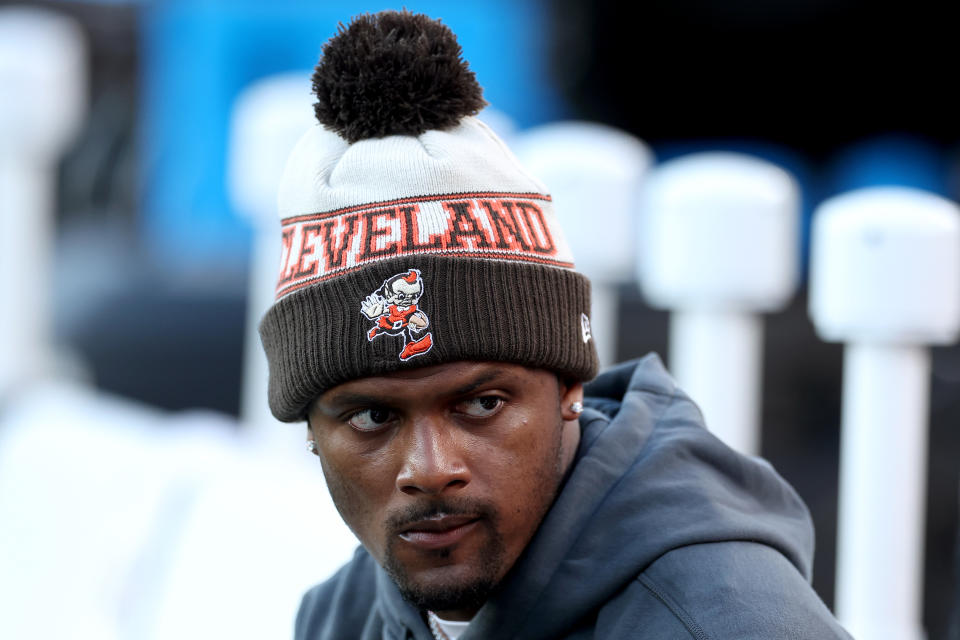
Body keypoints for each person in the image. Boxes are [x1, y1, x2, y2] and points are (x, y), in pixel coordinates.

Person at [258, 10, 851, 640]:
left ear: (570, 385)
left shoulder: (723, 621)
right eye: (372, 417)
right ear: (312, 430)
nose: (430, 469)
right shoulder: (339, 618)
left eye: (482, 403)